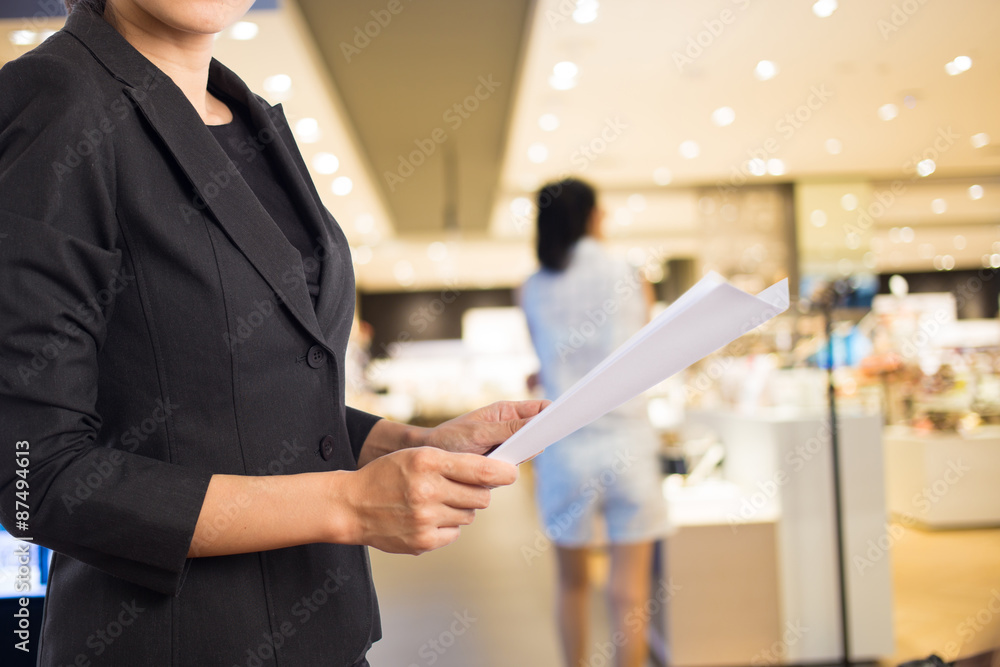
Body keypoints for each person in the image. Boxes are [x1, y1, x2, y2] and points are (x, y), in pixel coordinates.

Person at [0, 1, 546, 665]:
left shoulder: (247, 117)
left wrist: (405, 443)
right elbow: (33, 477)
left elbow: (242, 393)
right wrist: (348, 503)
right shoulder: (56, 99)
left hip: (326, 635)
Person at [520, 178, 668, 667]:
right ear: (592, 216)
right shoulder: (628, 273)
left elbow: (548, 355)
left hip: (565, 446)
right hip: (628, 439)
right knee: (630, 590)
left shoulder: (533, 288)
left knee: (571, 583)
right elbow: (640, 350)